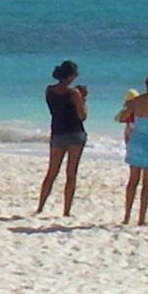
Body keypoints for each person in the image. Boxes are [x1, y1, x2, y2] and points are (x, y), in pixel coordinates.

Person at [36, 61, 87, 216]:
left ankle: (40, 206)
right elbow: (82, 116)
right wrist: (83, 98)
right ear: (70, 76)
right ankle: (66, 211)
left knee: (51, 172)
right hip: (74, 133)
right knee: (71, 174)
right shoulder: (74, 94)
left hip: (57, 132)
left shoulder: (49, 90)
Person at [116, 72, 148, 226]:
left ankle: (126, 217)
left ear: (146, 85)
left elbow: (121, 118)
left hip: (136, 144)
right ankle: (141, 219)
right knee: (146, 186)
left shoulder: (136, 102)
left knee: (132, 182)